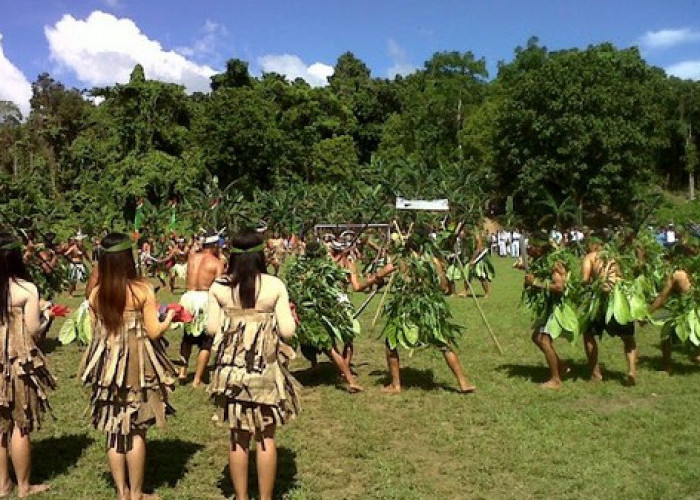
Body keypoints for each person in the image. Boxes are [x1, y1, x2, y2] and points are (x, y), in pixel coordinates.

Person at [80, 233, 177, 500]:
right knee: (136, 429)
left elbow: (93, 332)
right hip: (137, 365)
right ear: (127, 259)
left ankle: (121, 492)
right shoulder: (142, 289)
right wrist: (169, 316)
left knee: (114, 428)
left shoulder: (96, 294)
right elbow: (154, 331)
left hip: (108, 368)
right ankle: (136, 493)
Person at [206, 231, 300, 500]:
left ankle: (241, 496)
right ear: (261, 254)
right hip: (265, 371)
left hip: (232, 371)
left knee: (238, 436)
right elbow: (288, 331)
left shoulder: (219, 287)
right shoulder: (274, 285)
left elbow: (212, 328)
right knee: (265, 437)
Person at [381, 230, 476, 394]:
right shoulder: (434, 262)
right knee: (444, 344)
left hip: (407, 307)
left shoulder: (402, 261)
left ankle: (396, 385)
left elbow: (381, 273)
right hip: (429, 308)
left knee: (391, 344)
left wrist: (371, 280)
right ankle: (463, 382)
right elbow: (444, 287)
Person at [0, 233, 56, 498]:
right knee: (19, 424)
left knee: (0, 426)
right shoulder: (26, 289)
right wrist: (45, 314)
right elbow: (34, 331)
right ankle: (24, 486)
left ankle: (2, 483)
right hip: (17, 362)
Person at [581, 241, 638, 385]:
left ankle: (595, 373)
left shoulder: (591, 257)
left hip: (602, 298)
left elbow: (585, 279)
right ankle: (631, 370)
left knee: (588, 334)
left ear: (594, 245)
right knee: (628, 338)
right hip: (620, 297)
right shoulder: (616, 257)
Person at [178, 234, 225, 387]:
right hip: (205, 299)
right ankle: (197, 380)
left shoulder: (192, 257)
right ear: (215, 246)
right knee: (206, 341)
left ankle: (182, 371)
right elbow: (219, 285)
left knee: (187, 337)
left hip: (187, 297)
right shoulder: (217, 263)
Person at [524, 258, 570, 389]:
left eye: (533, 246)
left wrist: (536, 283)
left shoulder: (555, 263)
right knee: (537, 337)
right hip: (549, 307)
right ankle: (561, 365)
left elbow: (559, 287)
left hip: (557, 308)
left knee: (544, 341)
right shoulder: (542, 261)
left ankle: (556, 380)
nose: (530, 249)